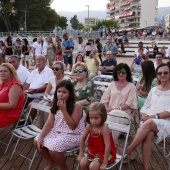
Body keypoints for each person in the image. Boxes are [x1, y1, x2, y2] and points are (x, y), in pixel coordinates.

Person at [125, 63, 170, 170]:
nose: (162, 75)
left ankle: (129, 150)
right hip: (150, 121)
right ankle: (145, 167)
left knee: (149, 123)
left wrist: (152, 117)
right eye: (159, 73)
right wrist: (143, 114)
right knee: (148, 133)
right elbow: (146, 105)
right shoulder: (154, 90)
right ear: (157, 75)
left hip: (166, 121)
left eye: (165, 72)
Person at [34, 80, 85, 170]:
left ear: (70, 94)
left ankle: (63, 168)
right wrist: (42, 136)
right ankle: (51, 162)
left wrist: (64, 110)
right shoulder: (56, 104)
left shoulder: (77, 106)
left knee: (53, 148)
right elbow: (49, 123)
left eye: (64, 92)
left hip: (74, 135)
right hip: (58, 132)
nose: (61, 94)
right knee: (37, 140)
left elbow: (72, 126)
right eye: (59, 91)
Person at [100, 63, 137, 139]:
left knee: (111, 116)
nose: (121, 74)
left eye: (123, 72)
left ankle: (108, 144)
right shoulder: (112, 84)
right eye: (118, 72)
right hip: (109, 112)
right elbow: (104, 99)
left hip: (124, 114)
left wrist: (113, 110)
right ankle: (108, 144)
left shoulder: (131, 86)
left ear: (127, 73)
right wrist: (107, 107)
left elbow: (128, 104)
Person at [77, 102, 116, 170]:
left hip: (104, 153)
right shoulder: (89, 126)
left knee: (93, 166)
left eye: (96, 118)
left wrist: (104, 163)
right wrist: (80, 154)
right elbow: (82, 139)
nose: (93, 121)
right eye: (91, 118)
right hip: (92, 151)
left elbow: (108, 146)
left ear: (103, 116)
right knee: (82, 163)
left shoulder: (104, 128)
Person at [0, 63, 24, 128]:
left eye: (5, 71)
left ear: (11, 73)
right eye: (1, 71)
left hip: (9, 115)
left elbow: (12, 105)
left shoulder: (15, 86)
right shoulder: (3, 84)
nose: (2, 73)